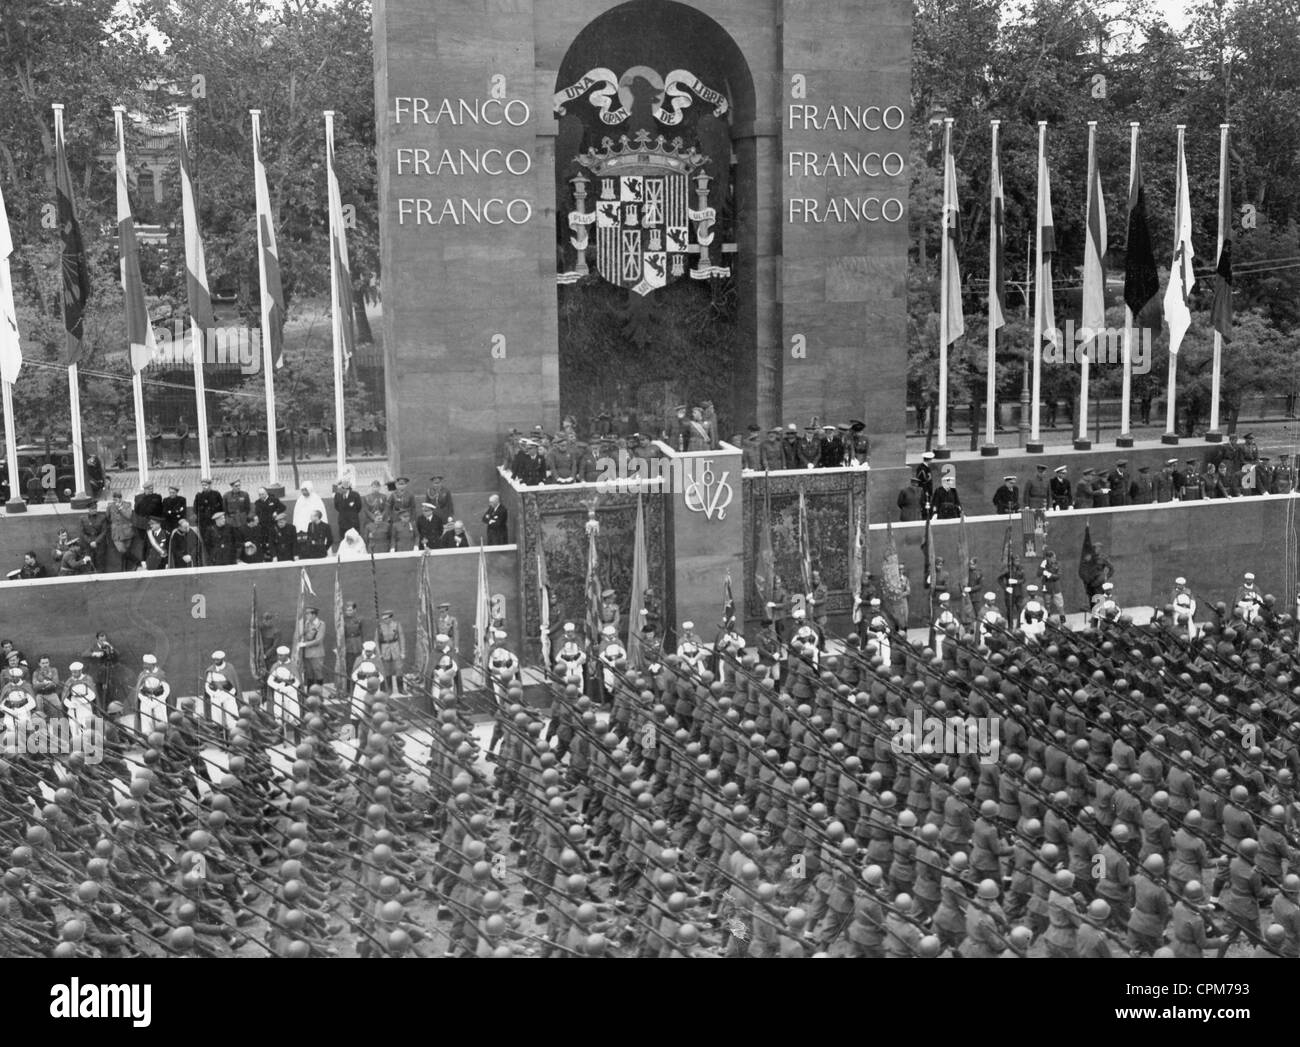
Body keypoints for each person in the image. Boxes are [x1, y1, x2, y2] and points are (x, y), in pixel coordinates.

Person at [376, 610, 406, 694]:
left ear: (390, 618)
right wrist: (379, 653)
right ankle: (388, 689)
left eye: (386, 618)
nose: (385, 620)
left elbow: (401, 638)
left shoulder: (396, 625)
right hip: (385, 649)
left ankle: (401, 688)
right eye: (384, 619)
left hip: (395, 648)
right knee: (386, 670)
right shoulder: (379, 627)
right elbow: (376, 641)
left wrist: (403, 651)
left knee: (399, 669)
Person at [297, 607, 326, 687]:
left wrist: (305, 644)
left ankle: (318, 694)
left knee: (318, 672)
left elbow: (318, 640)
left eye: (308, 613)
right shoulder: (307, 623)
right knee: (309, 673)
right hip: (308, 653)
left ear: (314, 615)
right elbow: (303, 634)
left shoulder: (320, 624)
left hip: (317, 653)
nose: (306, 615)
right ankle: (310, 693)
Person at [107, 490, 135, 571]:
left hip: (127, 531)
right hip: (116, 533)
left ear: (121, 498)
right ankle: (135, 561)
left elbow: (129, 516)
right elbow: (108, 517)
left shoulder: (127, 504)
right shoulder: (110, 506)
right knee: (121, 550)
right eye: (114, 499)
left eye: (118, 498)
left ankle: (124, 569)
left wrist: (120, 508)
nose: (116, 500)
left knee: (126, 551)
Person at [362, 480, 393, 552]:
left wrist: (381, 516)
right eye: (373, 487)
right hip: (370, 520)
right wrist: (373, 517)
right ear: (371, 487)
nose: (375, 488)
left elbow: (386, 508)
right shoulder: (366, 497)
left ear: (379, 488)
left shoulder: (384, 497)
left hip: (382, 519)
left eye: (377, 487)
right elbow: (366, 510)